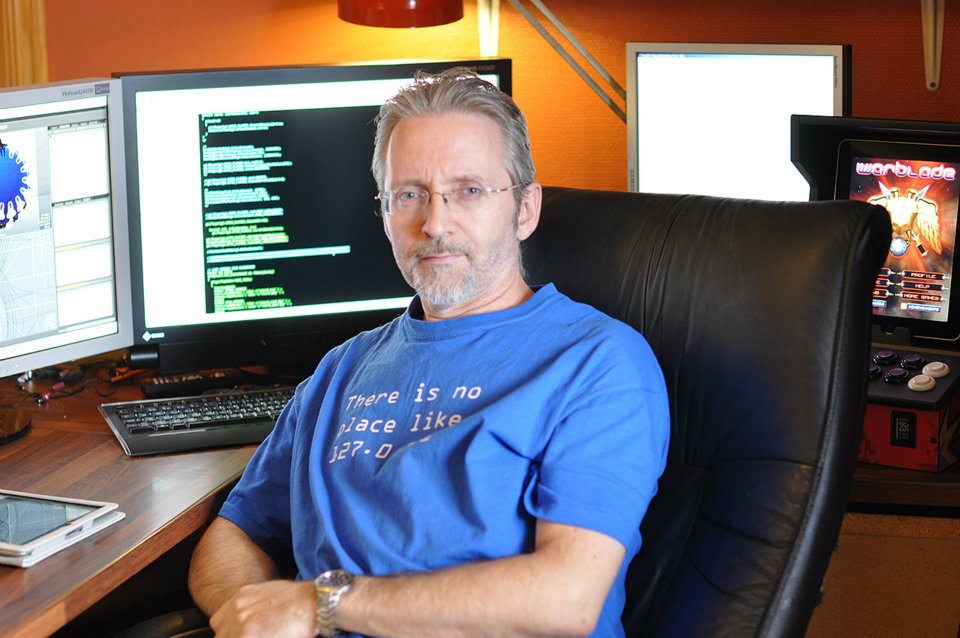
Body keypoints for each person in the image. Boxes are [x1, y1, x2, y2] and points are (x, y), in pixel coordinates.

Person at [187, 67, 670, 638]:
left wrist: (317, 605)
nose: (435, 223)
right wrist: (251, 613)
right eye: (409, 195)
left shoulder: (597, 362)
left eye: (469, 190)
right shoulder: (341, 369)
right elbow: (235, 534)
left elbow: (566, 599)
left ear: (525, 209)